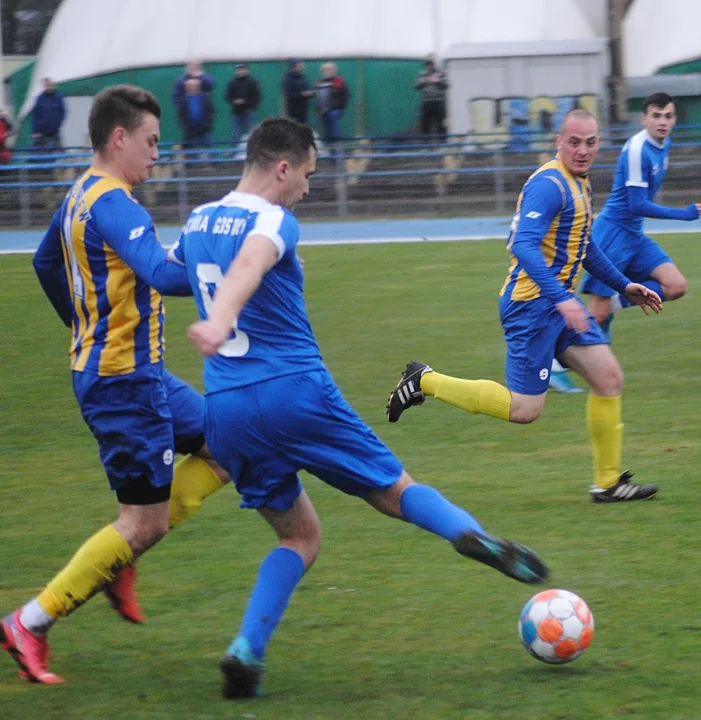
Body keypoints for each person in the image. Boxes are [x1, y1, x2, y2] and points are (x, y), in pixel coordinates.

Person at [174, 117, 548, 699]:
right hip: (294, 392)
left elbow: (165, 272)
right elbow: (249, 261)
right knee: (395, 491)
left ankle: (246, 649)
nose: (307, 187)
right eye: (307, 175)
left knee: (298, 537)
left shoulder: (196, 220)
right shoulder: (273, 218)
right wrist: (221, 319)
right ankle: (472, 534)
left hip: (225, 408)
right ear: (281, 168)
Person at [2, 85, 229, 686]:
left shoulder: (80, 193)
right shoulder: (118, 204)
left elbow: (44, 263)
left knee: (228, 445)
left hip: (137, 374)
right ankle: (29, 621)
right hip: (122, 385)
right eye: (152, 141)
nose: (158, 153)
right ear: (119, 137)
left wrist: (81, 326)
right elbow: (159, 271)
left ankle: (120, 558)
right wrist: (234, 265)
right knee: (143, 521)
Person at [386, 110, 664, 503]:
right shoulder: (549, 185)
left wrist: (624, 284)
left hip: (558, 304)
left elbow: (584, 246)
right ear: (558, 141)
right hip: (531, 307)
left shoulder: (580, 183)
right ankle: (424, 381)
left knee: (608, 379)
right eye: (574, 142)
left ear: (599, 143)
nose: (583, 150)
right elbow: (523, 245)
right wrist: (563, 298)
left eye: (590, 142)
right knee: (524, 410)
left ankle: (607, 483)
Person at [581, 92, 701, 339]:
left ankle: (615, 304)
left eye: (668, 116)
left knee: (676, 286)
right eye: (656, 116)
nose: (662, 122)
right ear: (643, 119)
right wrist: (684, 214)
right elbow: (637, 205)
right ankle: (554, 364)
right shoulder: (637, 150)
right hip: (613, 234)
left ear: (675, 120)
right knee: (596, 316)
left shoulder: (664, 144)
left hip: (634, 235)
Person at [225, 63, 261, 144]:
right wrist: (234, 101)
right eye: (238, 70)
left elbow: (257, 97)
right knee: (235, 134)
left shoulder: (252, 82)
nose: (240, 72)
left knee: (252, 134)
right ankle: (233, 153)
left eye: (242, 70)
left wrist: (248, 104)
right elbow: (227, 97)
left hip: (249, 112)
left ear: (246, 70)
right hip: (236, 112)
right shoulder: (232, 83)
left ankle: (253, 151)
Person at [315, 62, 349, 147]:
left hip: (335, 109)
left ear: (334, 71)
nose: (327, 72)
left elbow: (345, 95)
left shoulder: (339, 81)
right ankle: (331, 153)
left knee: (333, 119)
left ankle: (336, 142)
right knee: (327, 131)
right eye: (325, 70)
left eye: (329, 70)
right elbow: (318, 96)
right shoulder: (320, 82)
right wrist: (318, 108)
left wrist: (339, 106)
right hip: (324, 111)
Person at [177, 77, 214, 151]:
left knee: (211, 149)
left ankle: (214, 162)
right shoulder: (183, 100)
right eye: (190, 86)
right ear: (186, 87)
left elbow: (211, 111)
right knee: (191, 151)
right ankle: (193, 162)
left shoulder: (205, 98)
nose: (193, 87)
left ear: (199, 86)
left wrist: (208, 125)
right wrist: (185, 125)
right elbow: (181, 115)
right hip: (190, 130)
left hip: (204, 129)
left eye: (195, 85)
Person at [415, 57, 448, 140]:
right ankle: (426, 145)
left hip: (438, 102)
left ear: (434, 65)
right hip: (426, 103)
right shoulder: (422, 74)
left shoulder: (440, 73)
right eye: (428, 64)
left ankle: (443, 143)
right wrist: (425, 81)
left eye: (431, 64)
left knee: (441, 124)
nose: (429, 66)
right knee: (425, 125)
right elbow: (417, 86)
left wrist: (438, 81)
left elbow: (446, 85)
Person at [30, 78, 66, 152]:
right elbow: (35, 115)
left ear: (53, 86)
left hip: (55, 130)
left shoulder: (58, 98)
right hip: (42, 132)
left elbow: (63, 112)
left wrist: (58, 123)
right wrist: (36, 131)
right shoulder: (39, 99)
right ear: (44, 87)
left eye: (50, 85)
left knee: (60, 151)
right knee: (42, 153)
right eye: (46, 86)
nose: (48, 87)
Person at [281, 60, 314, 126]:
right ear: (293, 67)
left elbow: (308, 89)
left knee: (303, 129)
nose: (301, 68)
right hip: (293, 110)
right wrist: (302, 94)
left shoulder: (303, 78)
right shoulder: (288, 79)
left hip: (304, 109)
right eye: (299, 66)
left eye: (302, 66)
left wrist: (311, 93)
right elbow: (289, 94)